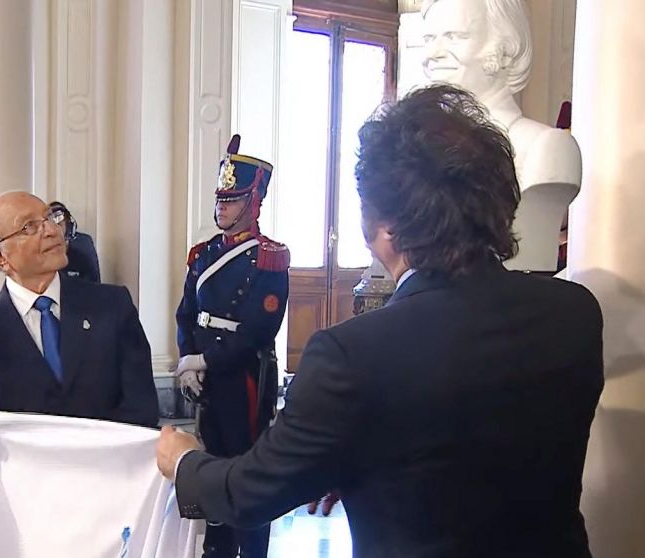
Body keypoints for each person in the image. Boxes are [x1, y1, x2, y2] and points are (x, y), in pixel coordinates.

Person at [157, 85, 604, 557]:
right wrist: (359, 460)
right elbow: (477, 446)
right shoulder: (575, 313)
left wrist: (184, 460)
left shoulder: (350, 356)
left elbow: (247, 493)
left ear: (382, 226)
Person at [0, 191, 158, 431]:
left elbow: (142, 408)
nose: (51, 230)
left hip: (108, 464)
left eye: (50, 217)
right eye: (29, 227)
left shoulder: (113, 306)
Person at [172, 135, 289, 558]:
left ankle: (253, 548)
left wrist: (204, 359)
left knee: (247, 467)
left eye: (232, 199)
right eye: (220, 198)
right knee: (211, 461)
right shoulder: (203, 255)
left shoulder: (270, 258)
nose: (222, 206)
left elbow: (260, 329)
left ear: (253, 201)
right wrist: (187, 361)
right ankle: (218, 547)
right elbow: (186, 312)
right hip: (205, 376)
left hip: (242, 378)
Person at [421, 0, 581, 273]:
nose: (432, 54)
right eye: (429, 38)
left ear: (505, 49)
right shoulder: (424, 146)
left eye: (453, 37)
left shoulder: (545, 147)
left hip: (513, 299)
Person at [48, 201, 100, 282]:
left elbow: (94, 283)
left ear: (68, 225)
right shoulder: (43, 251)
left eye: (59, 224)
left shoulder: (82, 248)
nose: (55, 230)